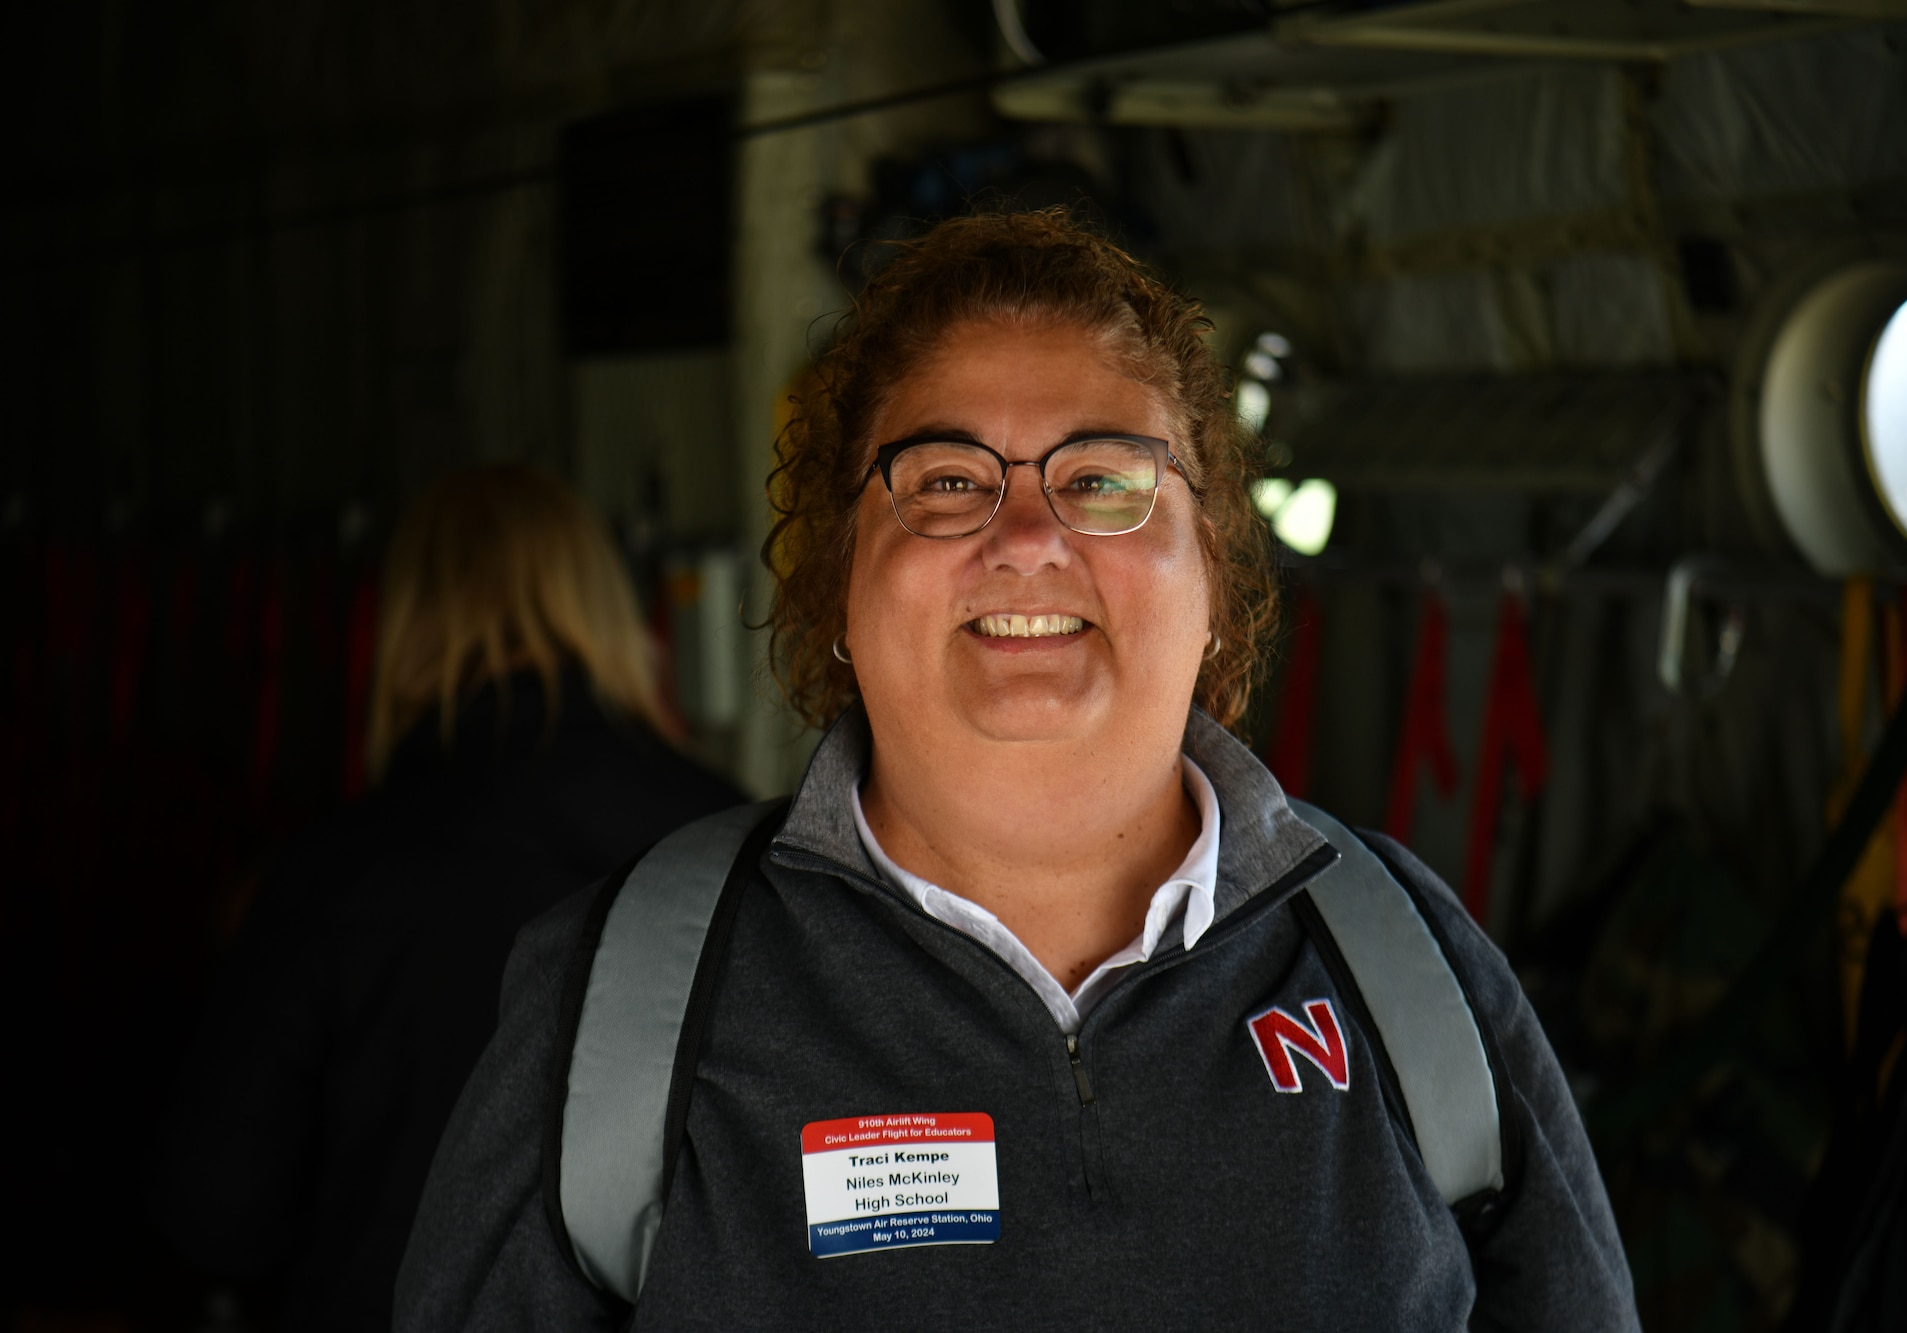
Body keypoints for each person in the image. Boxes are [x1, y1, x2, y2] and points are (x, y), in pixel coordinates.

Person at [395, 212, 1639, 1329]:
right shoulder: (620, 1002)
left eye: (1102, 478)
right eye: (944, 483)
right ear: (837, 585)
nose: (1029, 535)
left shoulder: (1406, 965)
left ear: (1212, 580)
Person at [154, 465, 745, 1332]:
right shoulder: (727, 838)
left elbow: (209, 1211)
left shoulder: (334, 871)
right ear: (602, 602)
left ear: (405, 622)